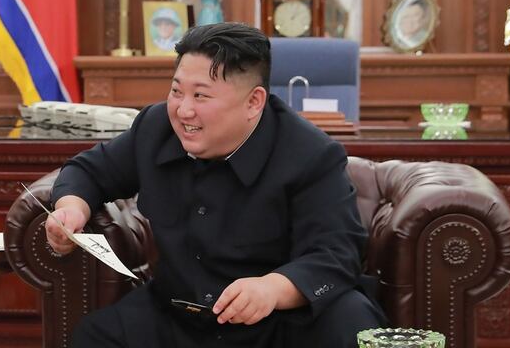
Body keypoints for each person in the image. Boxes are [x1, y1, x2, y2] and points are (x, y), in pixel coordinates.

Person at [46, 22, 385, 348]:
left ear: (254, 102)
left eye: (201, 96)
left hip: (276, 321)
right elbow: (88, 171)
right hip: (179, 316)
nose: (184, 110)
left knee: (350, 320)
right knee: (95, 335)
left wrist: (272, 288)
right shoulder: (155, 127)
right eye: (177, 91)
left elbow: (337, 254)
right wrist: (71, 209)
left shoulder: (311, 154)